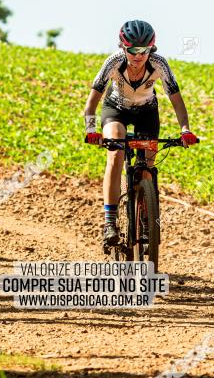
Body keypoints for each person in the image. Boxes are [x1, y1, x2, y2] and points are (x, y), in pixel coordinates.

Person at [82, 20, 198, 246]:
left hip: (147, 112)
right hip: (116, 110)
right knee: (115, 153)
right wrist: (91, 130)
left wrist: (185, 130)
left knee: (147, 166)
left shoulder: (159, 64)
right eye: (133, 50)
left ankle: (146, 214)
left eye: (144, 50)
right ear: (123, 47)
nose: (138, 56)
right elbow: (91, 104)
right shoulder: (113, 63)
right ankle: (110, 222)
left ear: (151, 48)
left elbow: (177, 101)